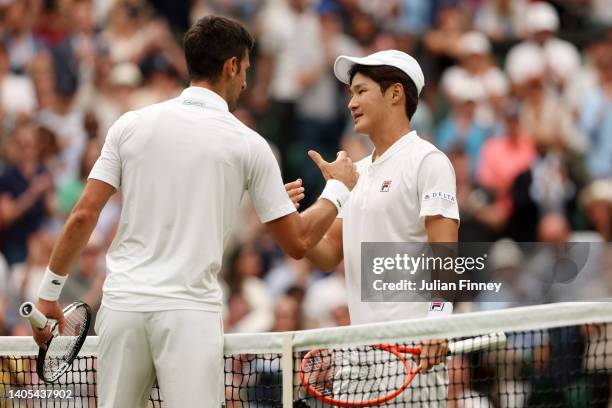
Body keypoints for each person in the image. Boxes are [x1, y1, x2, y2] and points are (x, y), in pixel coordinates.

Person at [28, 15, 358, 408]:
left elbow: (83, 214)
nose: (246, 83)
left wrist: (49, 293)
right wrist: (338, 189)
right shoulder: (250, 145)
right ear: (231, 66)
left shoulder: (129, 125)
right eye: (246, 70)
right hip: (188, 314)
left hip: (123, 308)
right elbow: (300, 242)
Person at [288, 49, 459, 405]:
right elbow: (325, 256)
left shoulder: (429, 161)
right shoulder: (355, 174)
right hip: (358, 356)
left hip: (413, 351)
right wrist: (285, 216)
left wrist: (437, 326)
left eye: (361, 91)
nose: (351, 102)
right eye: (351, 93)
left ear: (395, 93)